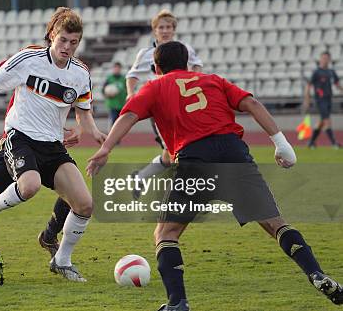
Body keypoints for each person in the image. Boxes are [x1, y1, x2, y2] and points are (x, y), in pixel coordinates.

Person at [87, 41, 343, 310]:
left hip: (195, 158)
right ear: (187, 63)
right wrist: (281, 142)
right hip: (234, 152)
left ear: (156, 67)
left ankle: (177, 303)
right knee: (275, 223)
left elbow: (128, 115)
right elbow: (252, 103)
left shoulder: (155, 86)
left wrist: (105, 148)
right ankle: (315, 273)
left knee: (166, 232)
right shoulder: (213, 80)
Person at [0, 7, 107, 282]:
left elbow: (83, 109)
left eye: (74, 42)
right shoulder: (29, 59)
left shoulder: (79, 73)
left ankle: (62, 260)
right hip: (19, 138)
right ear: (52, 34)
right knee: (18, 190)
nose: (67, 47)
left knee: (85, 203)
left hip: (51, 146)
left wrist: (94, 132)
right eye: (63, 40)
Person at [125, 10, 203, 189]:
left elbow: (198, 64)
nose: (165, 30)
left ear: (174, 29)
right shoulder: (146, 53)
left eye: (168, 27)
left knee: (174, 151)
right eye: (161, 27)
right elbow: (132, 75)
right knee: (176, 148)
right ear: (155, 31)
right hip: (160, 107)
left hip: (183, 104)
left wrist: (195, 78)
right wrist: (130, 93)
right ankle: (184, 187)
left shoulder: (184, 49)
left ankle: (141, 178)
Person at [303, 51, 342, 148]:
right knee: (327, 121)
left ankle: (311, 142)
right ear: (320, 59)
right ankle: (334, 143)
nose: (325, 60)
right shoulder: (317, 72)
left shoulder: (331, 72)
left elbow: (337, 84)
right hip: (320, 100)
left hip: (328, 99)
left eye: (327, 58)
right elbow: (308, 86)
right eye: (323, 58)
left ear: (329, 60)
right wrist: (307, 100)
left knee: (322, 122)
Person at [102, 62, 127, 127]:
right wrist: (108, 94)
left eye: (118, 68)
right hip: (112, 104)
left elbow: (128, 90)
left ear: (120, 69)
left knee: (121, 122)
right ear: (113, 69)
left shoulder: (124, 79)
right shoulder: (109, 78)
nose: (117, 69)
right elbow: (103, 90)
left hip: (122, 104)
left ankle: (119, 135)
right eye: (115, 68)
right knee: (113, 121)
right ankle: (111, 135)